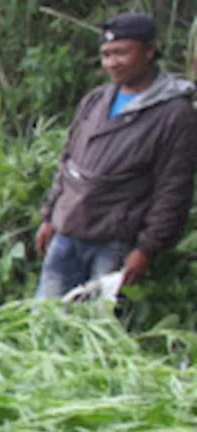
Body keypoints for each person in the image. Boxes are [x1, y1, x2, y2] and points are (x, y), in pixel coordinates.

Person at [34, 12, 197, 299]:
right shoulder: (96, 100)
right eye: (106, 54)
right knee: (45, 322)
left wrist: (146, 249)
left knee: (98, 330)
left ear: (148, 51)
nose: (112, 63)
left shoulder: (174, 114)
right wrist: (49, 215)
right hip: (67, 230)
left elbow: (173, 189)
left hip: (114, 241)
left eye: (122, 53)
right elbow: (69, 160)